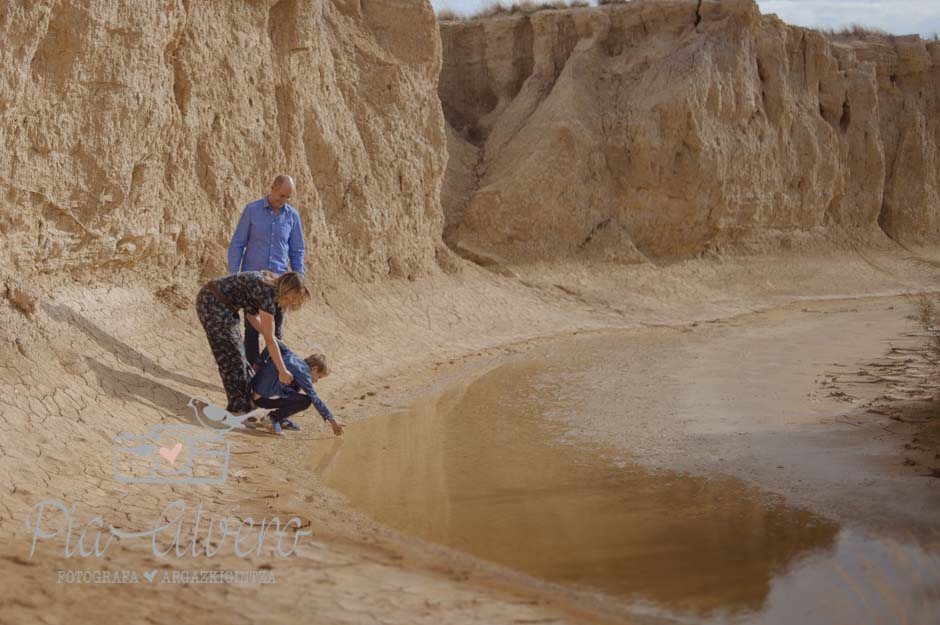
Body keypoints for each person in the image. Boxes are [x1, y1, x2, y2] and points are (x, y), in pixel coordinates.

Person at [196, 271, 310, 414]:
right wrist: (282, 370)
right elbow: (269, 340)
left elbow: (251, 317)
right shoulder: (267, 293)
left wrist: (271, 337)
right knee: (232, 358)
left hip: (222, 307)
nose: (293, 301)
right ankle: (238, 409)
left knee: (239, 358)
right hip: (212, 303)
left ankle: (245, 404)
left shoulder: (269, 289)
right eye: (294, 296)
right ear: (287, 287)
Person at [228, 175, 306, 366]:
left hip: (279, 286)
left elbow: (297, 251)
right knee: (252, 331)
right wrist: (234, 276)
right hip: (253, 282)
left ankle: (268, 375)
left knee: (276, 332)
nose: (283, 201)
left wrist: (299, 282)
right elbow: (238, 243)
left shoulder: (292, 216)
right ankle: (251, 375)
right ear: (272, 187)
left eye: (288, 197)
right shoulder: (252, 210)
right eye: (281, 195)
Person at [251, 339, 344, 436]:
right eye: (319, 377)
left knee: (296, 385)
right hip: (261, 398)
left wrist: (258, 364)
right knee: (306, 401)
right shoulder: (304, 373)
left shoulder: (292, 355)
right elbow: (315, 399)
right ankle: (272, 418)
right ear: (314, 368)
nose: (316, 381)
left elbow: (275, 342)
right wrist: (333, 422)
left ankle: (281, 419)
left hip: (256, 390)